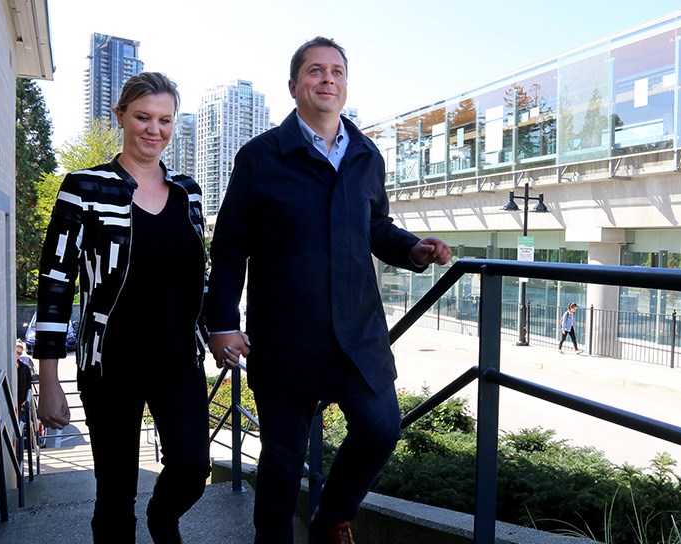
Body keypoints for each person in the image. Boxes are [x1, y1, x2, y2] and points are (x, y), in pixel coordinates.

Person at [206, 37, 452, 544]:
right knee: (281, 459)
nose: (327, 79)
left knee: (382, 428)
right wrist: (223, 324)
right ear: (294, 85)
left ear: (345, 83)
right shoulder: (260, 158)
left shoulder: (365, 154)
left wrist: (413, 249)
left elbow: (376, 228)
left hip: (357, 335)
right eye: (315, 71)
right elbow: (229, 247)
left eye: (337, 71)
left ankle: (331, 518)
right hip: (285, 336)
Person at [34, 72, 213, 544]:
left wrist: (220, 329)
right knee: (115, 494)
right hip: (110, 364)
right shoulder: (84, 187)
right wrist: (49, 380)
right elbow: (55, 283)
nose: (154, 129)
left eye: (165, 120)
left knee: (193, 468)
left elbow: (200, 276)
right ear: (120, 117)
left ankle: (162, 517)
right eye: (143, 117)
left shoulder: (188, 192)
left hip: (179, 361)